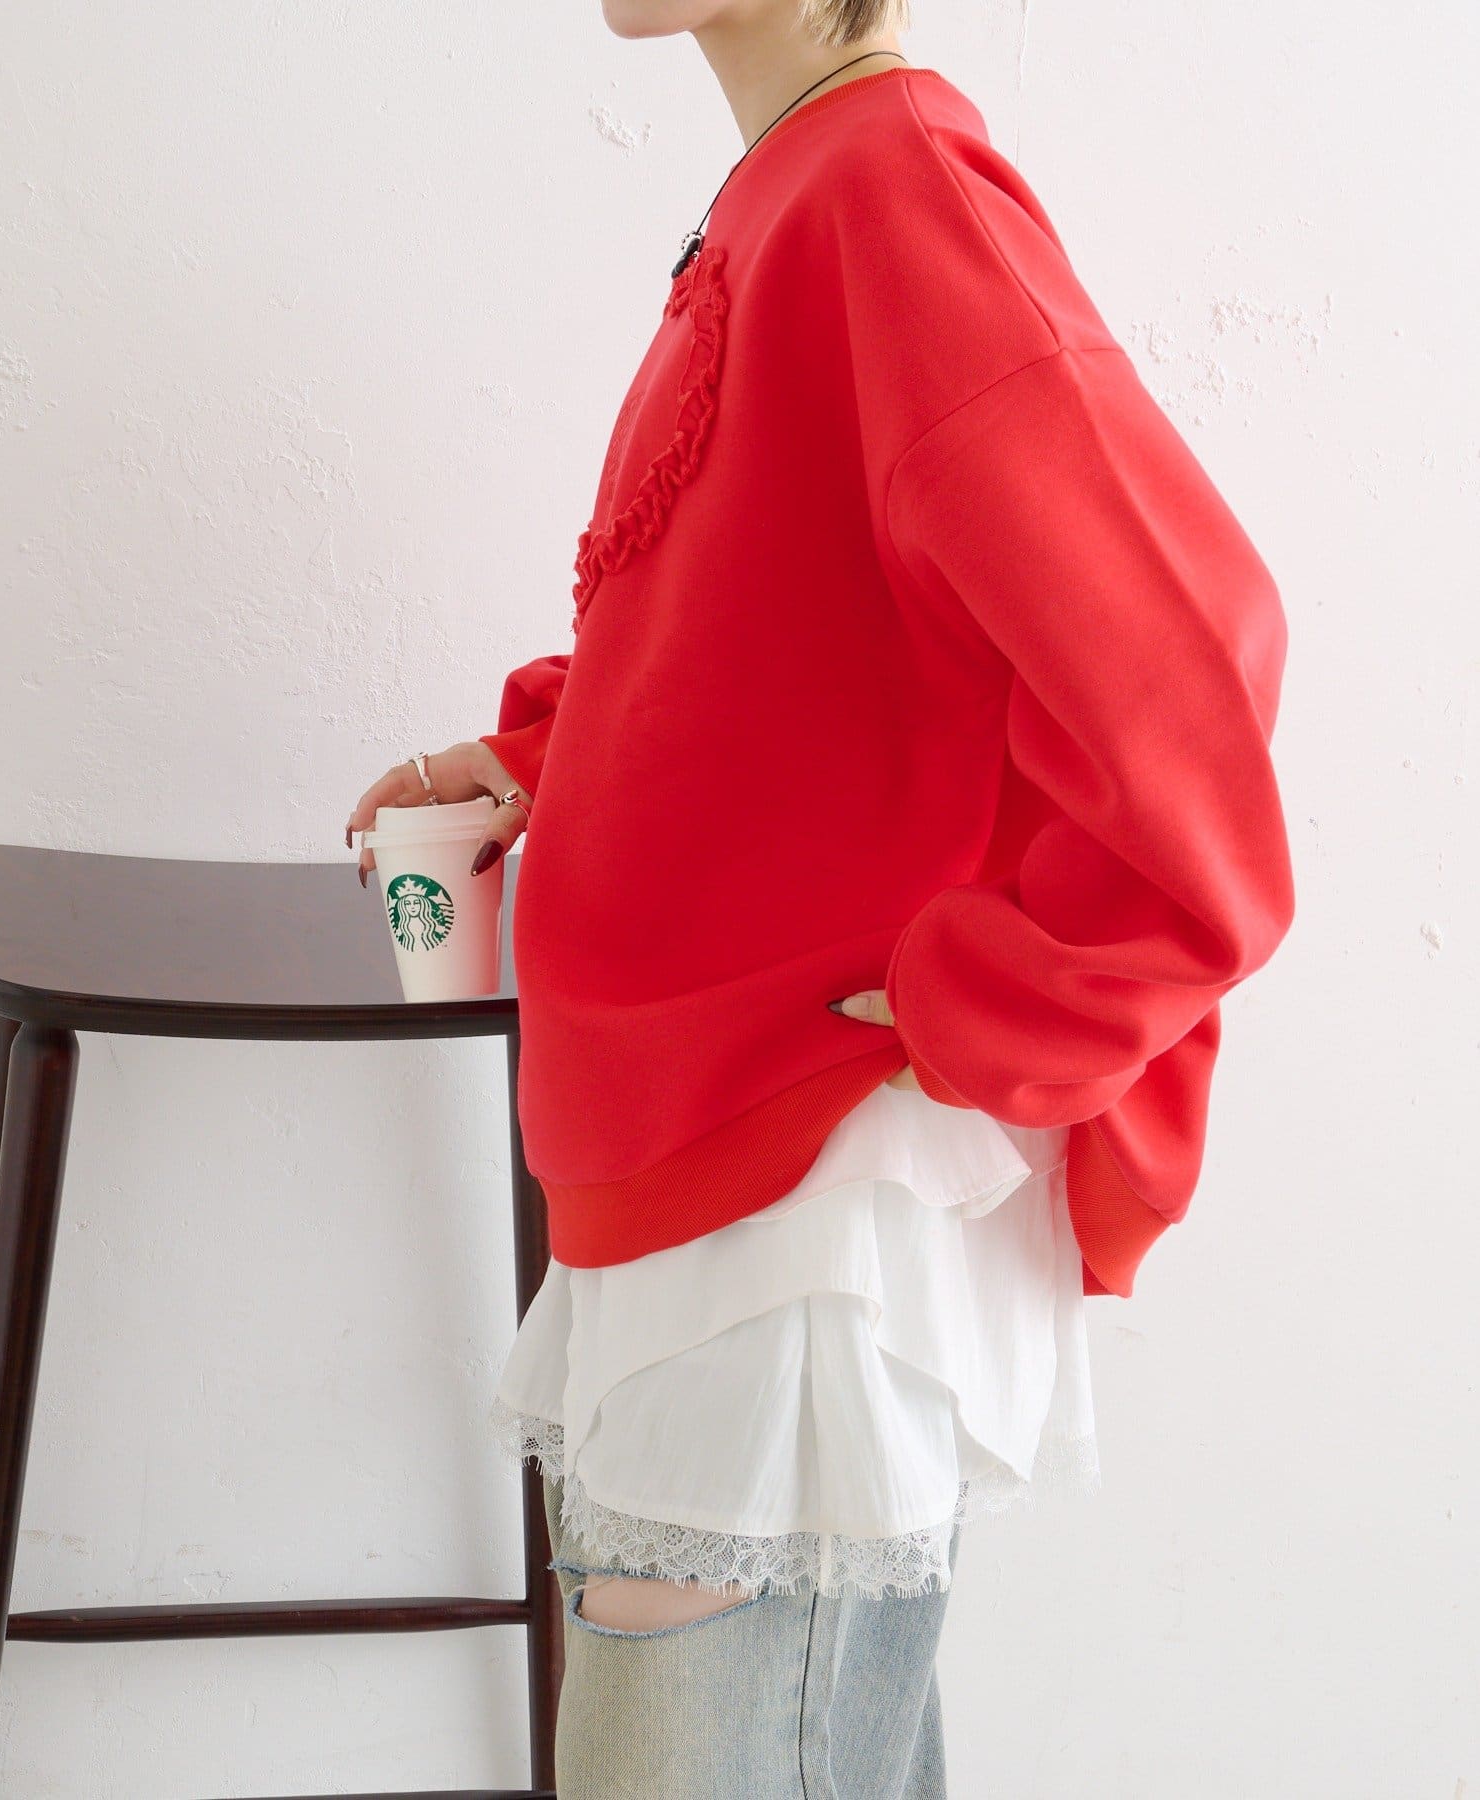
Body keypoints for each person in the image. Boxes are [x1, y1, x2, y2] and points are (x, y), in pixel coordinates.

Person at [346, 1, 1296, 1792]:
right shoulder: (804, 180)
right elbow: (796, 631)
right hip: (712, 1170)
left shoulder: (889, 189)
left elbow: (1188, 652)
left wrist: (1005, 1000)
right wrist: (554, 753)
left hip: (791, 1204)